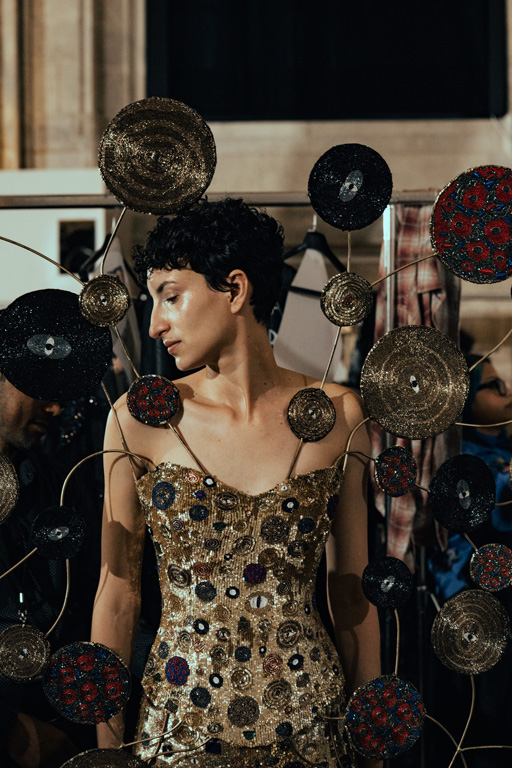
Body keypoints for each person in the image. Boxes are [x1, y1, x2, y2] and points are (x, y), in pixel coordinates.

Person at [91, 198, 381, 767]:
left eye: (171, 296)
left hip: (310, 729)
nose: (154, 324)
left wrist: (373, 745)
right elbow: (118, 595)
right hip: (179, 734)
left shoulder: (338, 415)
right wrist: (106, 749)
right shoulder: (140, 419)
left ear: (235, 289)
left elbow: (351, 591)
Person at [0, 374, 82, 768]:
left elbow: (90, 597)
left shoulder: (60, 483)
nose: (55, 408)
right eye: (41, 391)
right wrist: (10, 729)